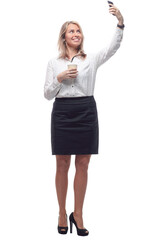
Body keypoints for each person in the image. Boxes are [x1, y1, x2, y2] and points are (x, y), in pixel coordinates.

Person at [44, 3, 124, 236]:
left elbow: (113, 47)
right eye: (71, 31)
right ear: (64, 37)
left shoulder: (91, 59)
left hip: (86, 110)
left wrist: (120, 22)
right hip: (62, 113)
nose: (76, 34)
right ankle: (61, 212)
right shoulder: (54, 63)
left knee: (83, 164)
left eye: (78, 31)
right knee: (62, 164)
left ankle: (78, 214)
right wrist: (59, 77)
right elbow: (47, 94)